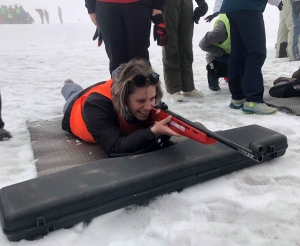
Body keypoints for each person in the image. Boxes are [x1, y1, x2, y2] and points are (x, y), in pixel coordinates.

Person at [61, 59, 180, 157]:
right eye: (140, 101)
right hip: (74, 106)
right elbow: (115, 148)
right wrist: (152, 132)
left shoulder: (145, 91)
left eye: (152, 98)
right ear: (123, 98)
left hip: (110, 88)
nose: (149, 107)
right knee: (72, 92)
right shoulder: (95, 106)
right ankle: (68, 85)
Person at [219, 0, 282, 115]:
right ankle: (253, 100)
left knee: (238, 52)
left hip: (232, 7)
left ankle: (238, 98)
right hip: (249, 6)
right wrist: (278, 2)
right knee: (257, 53)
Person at [85, 0, 167, 75]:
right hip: (106, 6)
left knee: (139, 58)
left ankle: (142, 88)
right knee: (116, 58)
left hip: (138, 5)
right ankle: (120, 89)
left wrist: (158, 6)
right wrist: (91, 8)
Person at [162, 0, 208, 102]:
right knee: (171, 43)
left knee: (186, 44)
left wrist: (201, 3)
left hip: (186, 3)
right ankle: (173, 88)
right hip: (169, 3)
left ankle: (188, 86)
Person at [199, 13, 230, 91]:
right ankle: (213, 73)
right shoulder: (221, 31)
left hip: (233, 54)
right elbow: (203, 44)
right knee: (216, 70)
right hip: (217, 56)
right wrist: (222, 52)